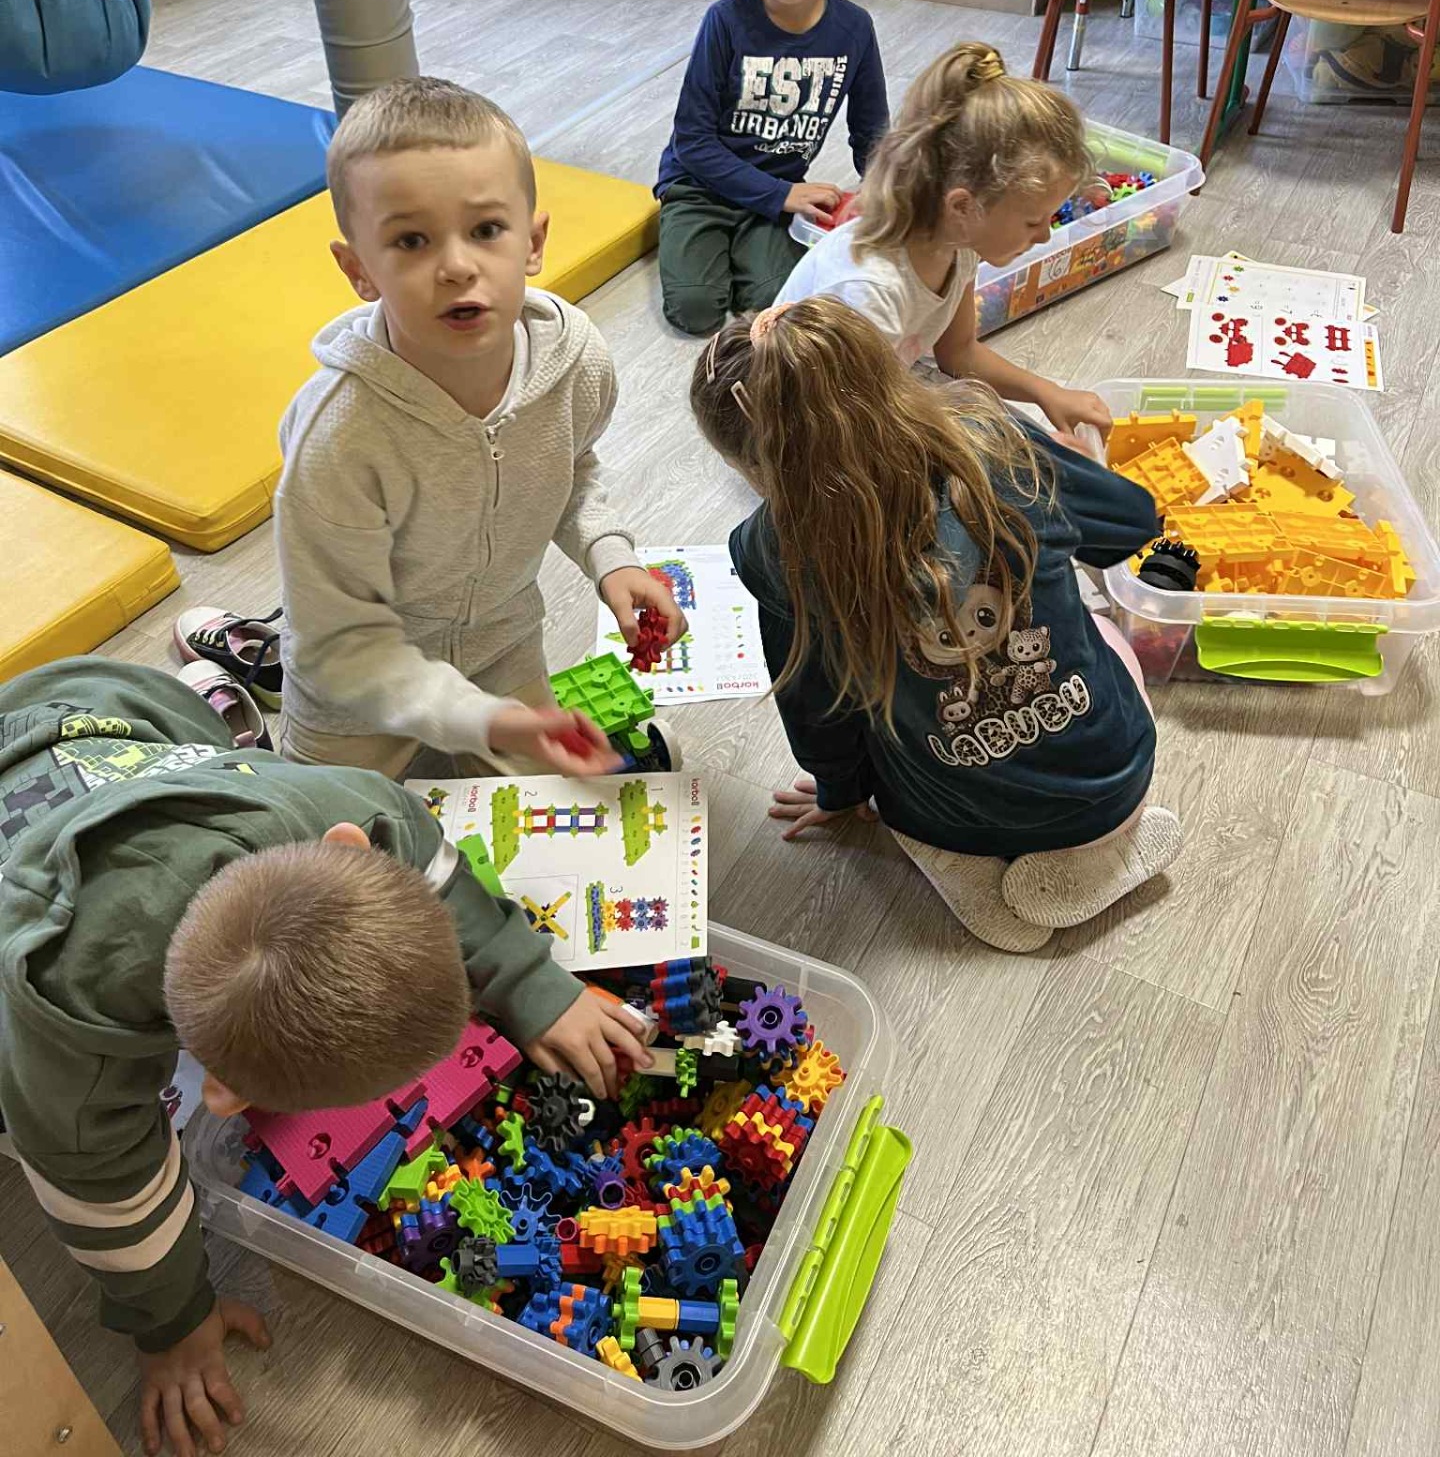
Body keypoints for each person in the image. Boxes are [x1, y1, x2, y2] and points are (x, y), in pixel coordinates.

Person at [0, 658, 652, 1457]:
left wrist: (529, 983)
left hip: (88, 712)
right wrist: (172, 1326)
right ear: (222, 1092)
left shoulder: (345, 807)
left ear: (350, 848)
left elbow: (427, 857)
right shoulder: (65, 1014)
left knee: (185, 729)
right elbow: (110, 1204)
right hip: (25, 884)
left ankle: (203, 719)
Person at [690, 298, 1182, 952]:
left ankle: (965, 869)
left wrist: (839, 794)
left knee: (886, 722)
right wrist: (1063, 471)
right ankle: (1107, 851)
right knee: (1101, 629)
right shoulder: (995, 437)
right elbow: (1132, 524)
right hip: (1111, 780)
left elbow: (816, 710)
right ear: (890, 377)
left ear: (753, 467)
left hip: (947, 817)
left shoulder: (771, 549)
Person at [274, 76, 684, 779]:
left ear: (533, 242)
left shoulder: (576, 360)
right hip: (355, 689)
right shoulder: (338, 437)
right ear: (359, 269)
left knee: (539, 813)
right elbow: (340, 647)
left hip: (501, 646)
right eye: (411, 240)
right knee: (329, 838)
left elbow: (572, 468)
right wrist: (480, 721)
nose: (458, 266)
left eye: (487, 230)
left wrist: (610, 556)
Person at [782, 42, 1114, 439]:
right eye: (1032, 221)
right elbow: (848, 428)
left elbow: (958, 353)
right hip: (803, 429)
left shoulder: (959, 242)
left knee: (1007, 435)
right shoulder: (870, 291)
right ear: (962, 206)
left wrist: (1045, 392)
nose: (1045, 235)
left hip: (868, 399)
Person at [654, 0, 890, 335]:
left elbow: (872, 134)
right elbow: (692, 142)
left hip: (775, 196)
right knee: (696, 310)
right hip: (699, 187)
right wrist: (781, 194)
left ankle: (735, 248)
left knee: (776, 302)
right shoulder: (724, 22)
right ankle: (688, 236)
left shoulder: (854, 29)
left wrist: (880, 194)